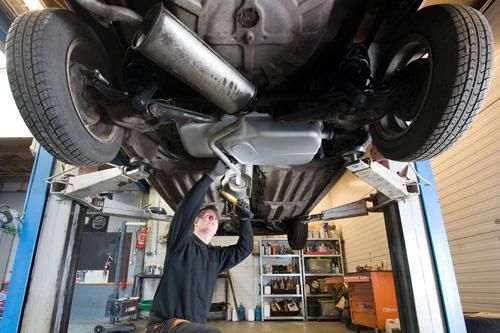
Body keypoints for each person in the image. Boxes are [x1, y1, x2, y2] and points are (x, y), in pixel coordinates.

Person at [147, 161, 254, 333]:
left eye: (216, 219)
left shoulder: (216, 257)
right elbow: (185, 210)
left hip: (193, 327)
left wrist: (245, 221)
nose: (213, 219)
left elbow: (245, 248)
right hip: (166, 325)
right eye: (208, 216)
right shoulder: (181, 244)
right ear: (196, 221)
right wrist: (209, 177)